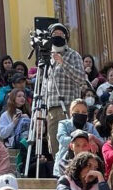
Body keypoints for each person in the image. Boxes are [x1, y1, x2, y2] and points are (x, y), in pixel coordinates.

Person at [44, 24, 87, 155]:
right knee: (54, 145)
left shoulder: (74, 55)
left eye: (60, 34)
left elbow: (81, 78)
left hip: (69, 106)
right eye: (54, 34)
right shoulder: (48, 57)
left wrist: (63, 63)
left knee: (70, 144)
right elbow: (45, 84)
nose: (58, 36)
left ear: (66, 37)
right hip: (52, 108)